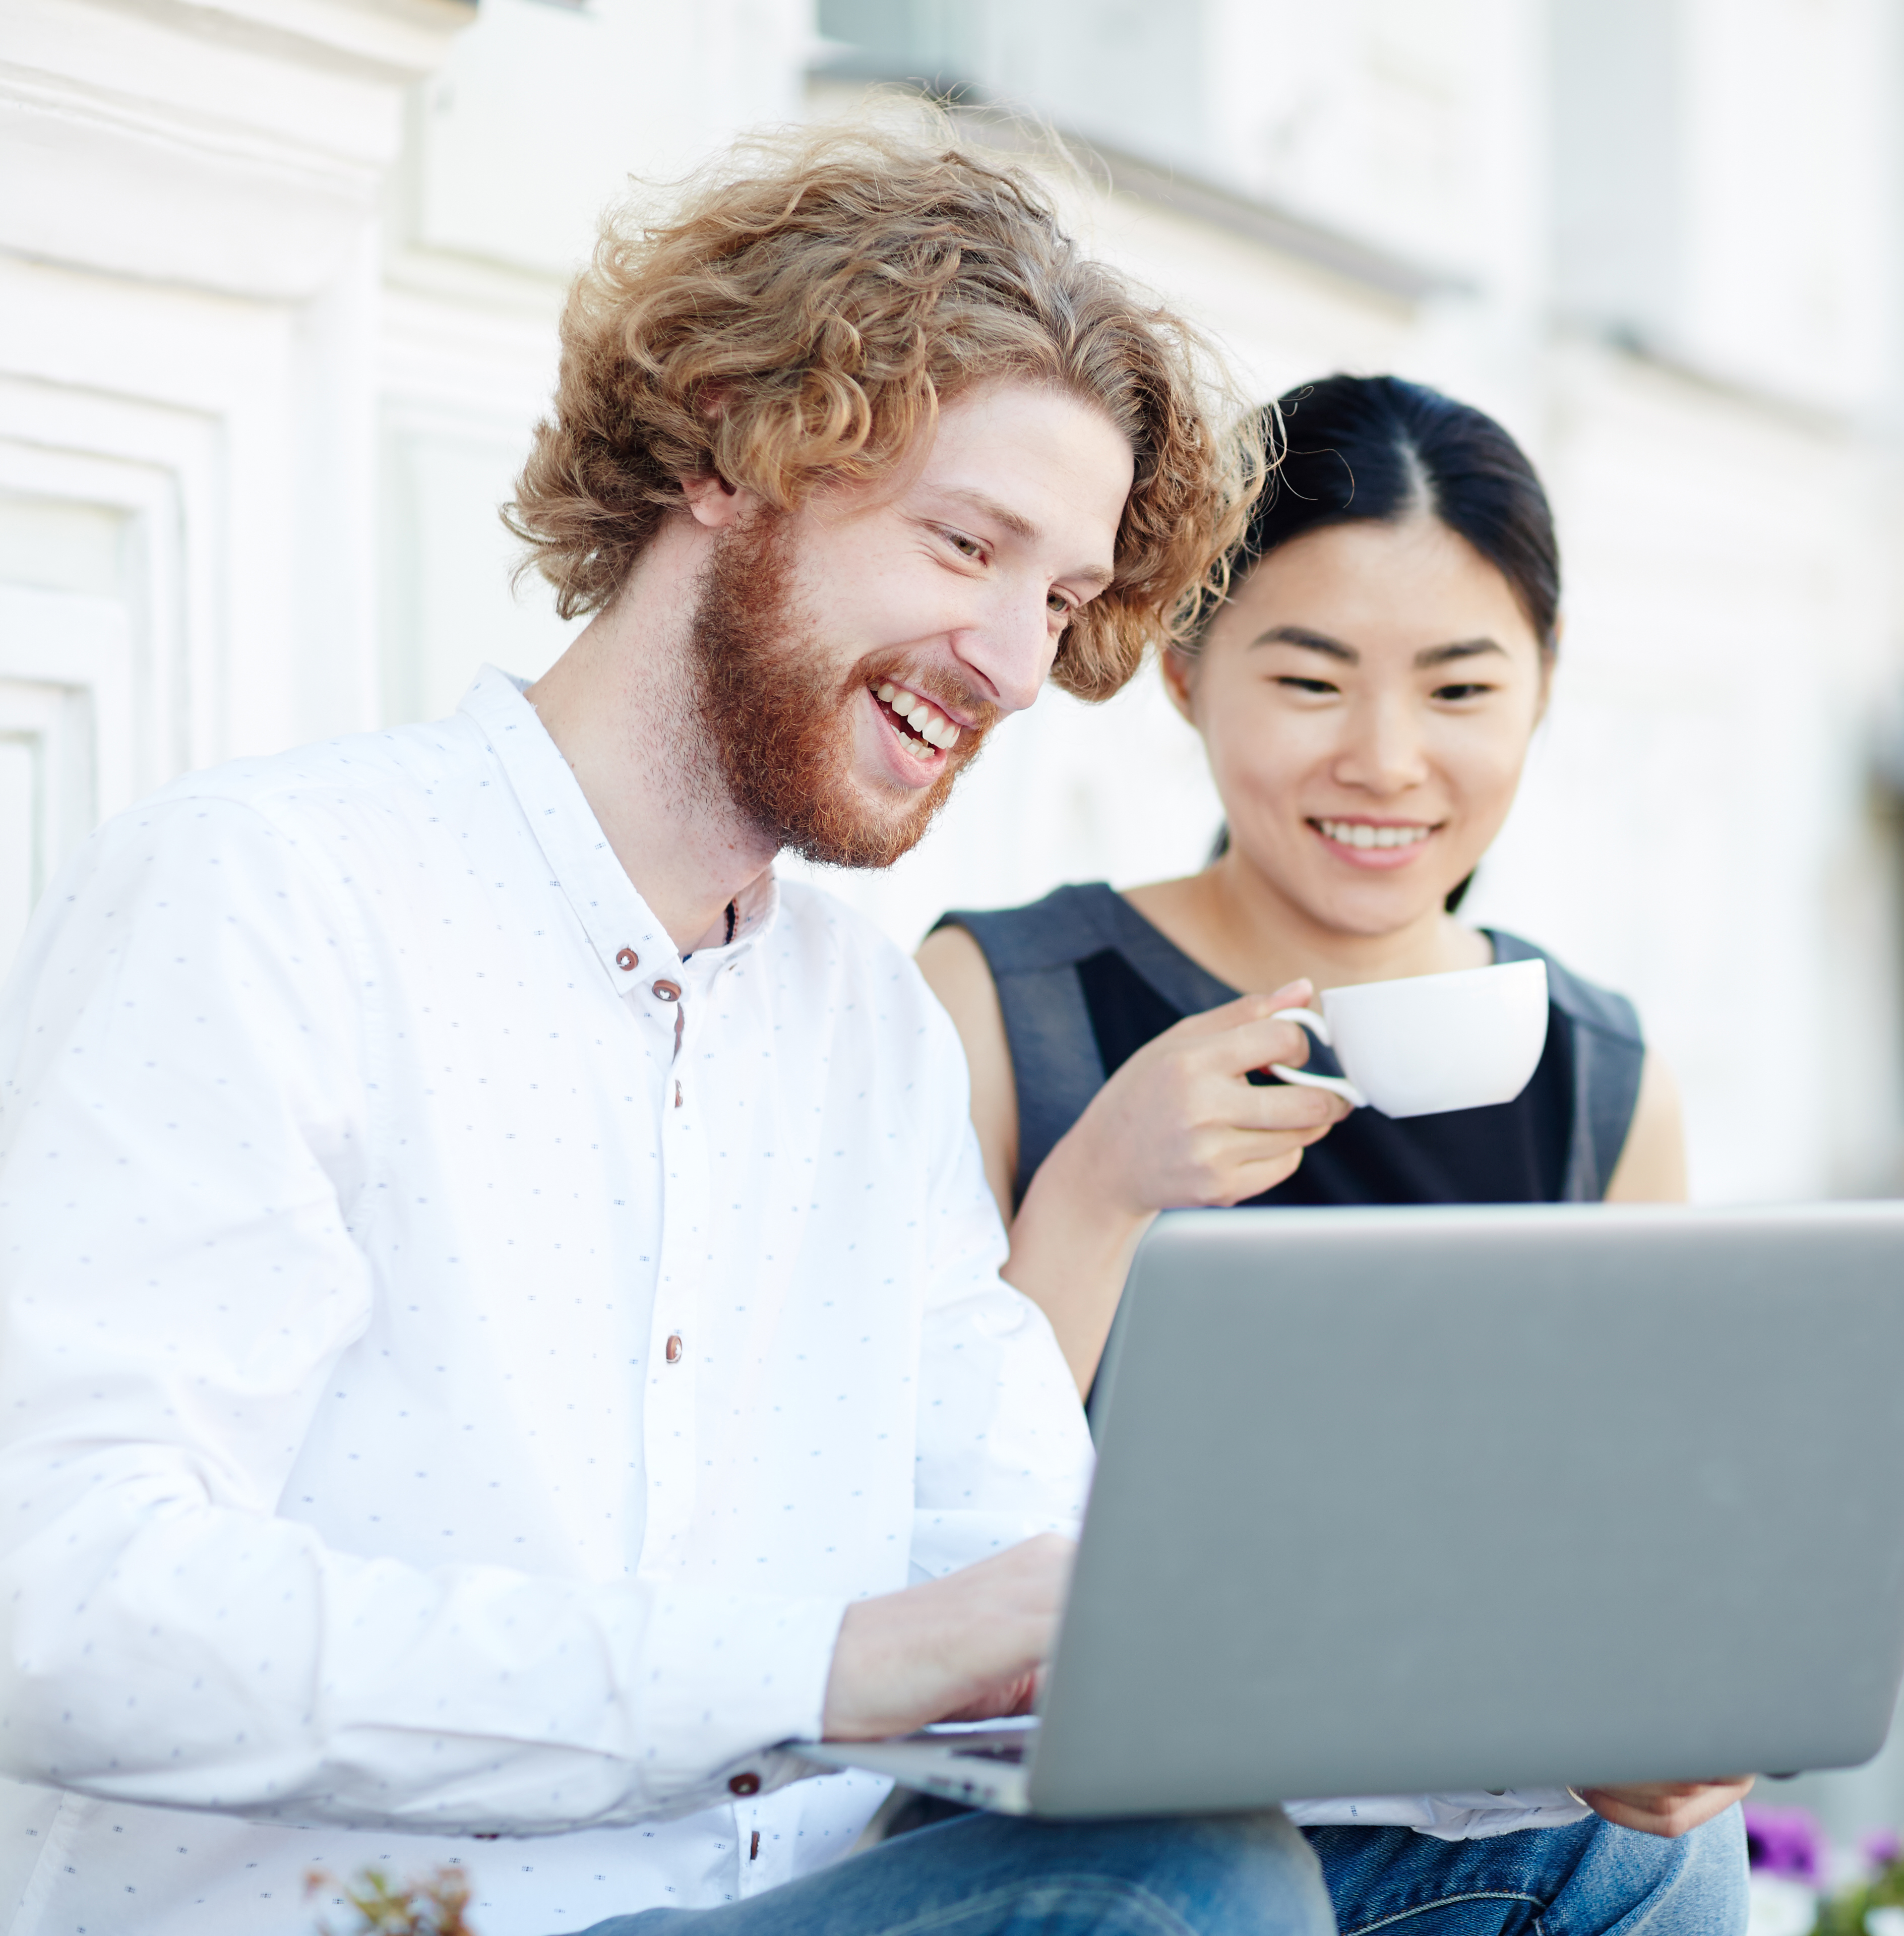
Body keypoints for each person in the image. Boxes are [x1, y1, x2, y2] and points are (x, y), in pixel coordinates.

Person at [0, 126, 1719, 1936]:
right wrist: (820, 1666)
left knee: (1608, 1854)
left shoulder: (858, 1027)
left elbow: (1038, 1591)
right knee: (1186, 1887)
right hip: (394, 1913)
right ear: (729, 453)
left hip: (813, 1903)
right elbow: (56, 1602)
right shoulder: (271, 896)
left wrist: (1528, 1720)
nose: (1010, 659)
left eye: (1058, 600)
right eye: (963, 544)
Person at [915, 374, 1749, 1919]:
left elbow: (1632, 1542)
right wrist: (1099, 1187)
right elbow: (895, 1517)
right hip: (1102, 1837)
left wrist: (1656, 1715)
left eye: (1459, 688)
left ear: (1545, 687)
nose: (1385, 761)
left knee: (1670, 1843)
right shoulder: (1005, 1002)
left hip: (1452, 1819)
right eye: (1309, 682)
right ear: (1181, 669)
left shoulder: (1602, 1073)